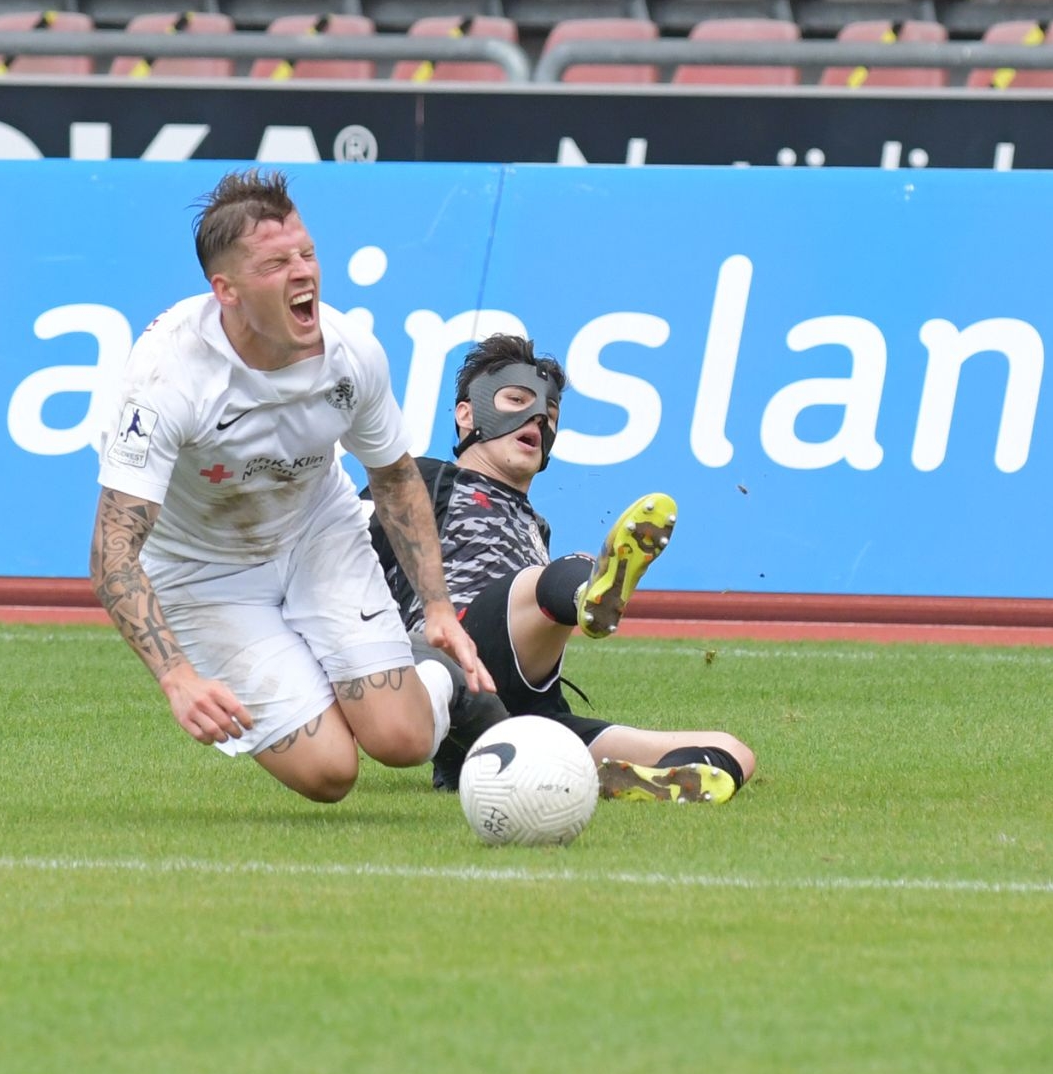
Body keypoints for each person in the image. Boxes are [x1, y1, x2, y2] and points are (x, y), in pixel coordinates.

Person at [91, 169, 507, 804]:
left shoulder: (352, 354)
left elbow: (394, 480)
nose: (303, 272)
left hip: (317, 535)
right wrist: (176, 677)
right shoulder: (168, 380)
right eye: (276, 263)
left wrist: (440, 608)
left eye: (307, 254)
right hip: (202, 575)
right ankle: (345, 672)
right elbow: (113, 550)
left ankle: (432, 675)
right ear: (225, 290)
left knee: (401, 741)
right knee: (330, 775)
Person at [366, 333, 755, 804]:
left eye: (548, 416)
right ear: (466, 413)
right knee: (545, 580)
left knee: (731, 751)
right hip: (452, 659)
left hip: (528, 710)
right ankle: (588, 593)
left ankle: (614, 779)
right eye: (516, 400)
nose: (536, 419)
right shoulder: (424, 479)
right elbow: (338, 551)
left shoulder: (536, 527)